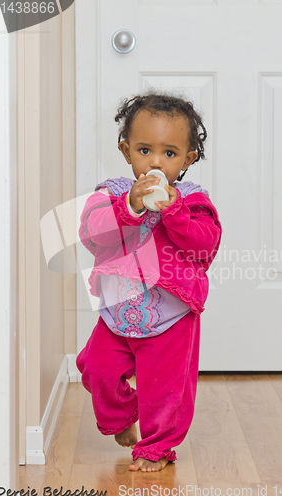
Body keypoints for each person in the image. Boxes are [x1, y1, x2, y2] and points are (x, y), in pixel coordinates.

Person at [76, 92, 222, 472]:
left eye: (170, 154)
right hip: (119, 311)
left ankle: (156, 448)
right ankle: (123, 415)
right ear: (126, 151)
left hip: (171, 316)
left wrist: (174, 212)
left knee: (166, 390)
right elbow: (93, 234)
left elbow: (205, 244)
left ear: (188, 159)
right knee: (96, 369)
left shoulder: (193, 201)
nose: (155, 162)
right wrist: (130, 207)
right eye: (144, 149)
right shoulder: (111, 194)